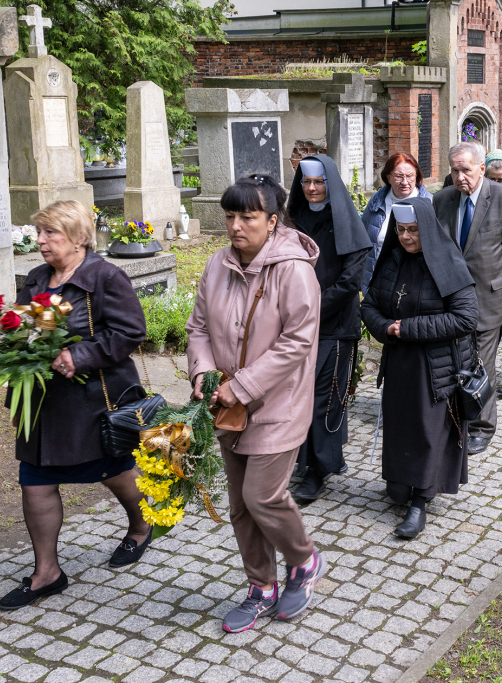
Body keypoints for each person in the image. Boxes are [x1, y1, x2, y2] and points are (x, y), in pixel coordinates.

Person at [186, 175, 325, 633]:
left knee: (262, 495)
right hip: (225, 406)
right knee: (240, 506)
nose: (235, 226)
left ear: (272, 220)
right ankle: (261, 586)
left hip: (278, 403)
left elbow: (298, 341)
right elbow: (199, 327)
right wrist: (204, 373)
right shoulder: (217, 265)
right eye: (230, 216)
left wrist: (241, 386)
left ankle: (304, 560)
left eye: (247, 217)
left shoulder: (294, 269)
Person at [0, 200, 149, 611]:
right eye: (40, 233)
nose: (41, 241)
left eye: (51, 233)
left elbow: (131, 331)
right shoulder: (34, 279)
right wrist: (1, 343)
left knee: (113, 469)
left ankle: (140, 525)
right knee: (35, 478)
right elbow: (24, 327)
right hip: (42, 405)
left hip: (91, 402)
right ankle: (47, 572)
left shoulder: (105, 277)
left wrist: (80, 356)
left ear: (79, 238)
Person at [361, 199, 478, 539]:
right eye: (401, 230)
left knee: (428, 431)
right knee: (400, 428)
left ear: (426, 229)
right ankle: (400, 487)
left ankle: (420, 500)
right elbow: (369, 305)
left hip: (435, 364)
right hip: (399, 360)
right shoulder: (393, 259)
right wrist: (386, 328)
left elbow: (466, 318)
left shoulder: (446, 262)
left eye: (413, 230)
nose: (407, 237)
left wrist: (407, 328)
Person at [433, 141, 502, 455]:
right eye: (455, 170)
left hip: (489, 297)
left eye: (466, 169)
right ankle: (454, 417)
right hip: (450, 297)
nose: (461, 176)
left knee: (481, 364)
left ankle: (482, 427)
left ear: (481, 168)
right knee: (453, 360)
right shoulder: (443, 199)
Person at [286, 157, 372, 503]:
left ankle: (317, 470)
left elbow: (350, 281)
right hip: (293, 325)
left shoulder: (345, 222)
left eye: (319, 182)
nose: (311, 188)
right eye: (306, 182)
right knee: (298, 396)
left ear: (330, 183)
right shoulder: (294, 219)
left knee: (325, 397)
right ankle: (308, 457)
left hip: (333, 325)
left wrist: (312, 308)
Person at [362, 153, 431, 289]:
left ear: (416, 176)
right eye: (399, 176)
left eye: (410, 176)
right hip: (376, 279)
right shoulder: (377, 201)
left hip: (413, 282)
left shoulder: (429, 203)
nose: (405, 182)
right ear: (388, 177)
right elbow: (363, 238)